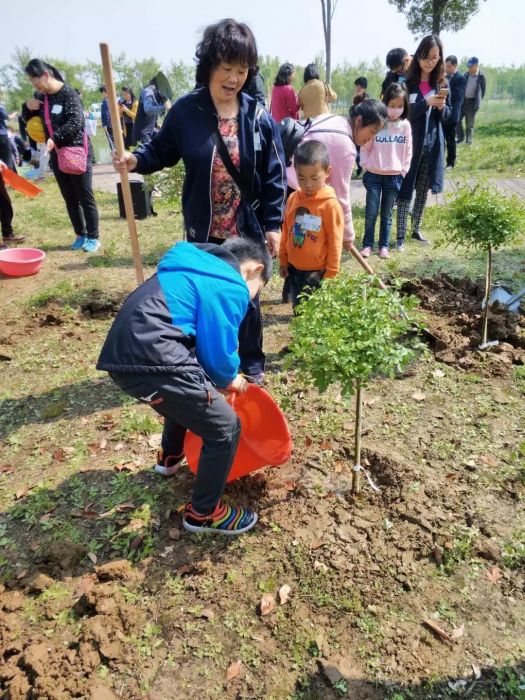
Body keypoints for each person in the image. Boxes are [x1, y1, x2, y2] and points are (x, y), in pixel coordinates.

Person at [113, 18, 286, 386]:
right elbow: (161, 150)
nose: (234, 78)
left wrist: (274, 224)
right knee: (208, 298)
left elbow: (273, 173)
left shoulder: (257, 115)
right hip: (205, 231)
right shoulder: (187, 111)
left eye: (242, 70)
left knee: (247, 299)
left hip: (246, 227)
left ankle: (251, 362)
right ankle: (206, 365)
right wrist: (136, 160)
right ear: (209, 66)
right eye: (227, 68)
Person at [97, 237, 271, 535]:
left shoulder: (191, 268)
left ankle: (171, 456)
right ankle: (204, 513)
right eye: (257, 292)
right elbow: (218, 353)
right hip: (155, 358)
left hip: (123, 358)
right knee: (225, 428)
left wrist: (212, 381)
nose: (251, 299)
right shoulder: (230, 283)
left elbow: (193, 338)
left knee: (188, 396)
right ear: (254, 270)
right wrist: (230, 377)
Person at [286, 99, 387, 253]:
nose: (370, 139)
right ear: (359, 121)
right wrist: (348, 235)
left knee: (309, 234)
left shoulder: (335, 119)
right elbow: (341, 196)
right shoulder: (346, 147)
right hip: (295, 188)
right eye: (372, 132)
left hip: (287, 179)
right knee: (309, 239)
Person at [25, 59, 100, 252]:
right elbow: (32, 122)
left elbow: (76, 122)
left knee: (85, 196)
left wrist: (55, 138)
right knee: (69, 198)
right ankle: (80, 234)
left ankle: (93, 237)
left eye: (36, 81)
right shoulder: (43, 98)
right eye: (32, 83)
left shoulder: (69, 94)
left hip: (76, 152)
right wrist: (27, 107)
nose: (36, 86)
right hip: (57, 154)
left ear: (46, 75)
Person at [396, 35, 450, 250]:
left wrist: (441, 108)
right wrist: (424, 103)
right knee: (406, 187)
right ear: (418, 56)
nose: (430, 61)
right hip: (411, 145)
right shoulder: (407, 84)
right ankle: (400, 233)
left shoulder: (442, 84)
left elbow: (450, 117)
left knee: (423, 188)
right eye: (427, 57)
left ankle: (416, 228)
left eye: (435, 57)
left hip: (433, 144)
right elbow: (401, 113)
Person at [279, 140, 343, 308]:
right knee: (298, 308)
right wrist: (284, 260)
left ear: (327, 172)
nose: (307, 184)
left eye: (314, 178)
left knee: (311, 312)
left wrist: (331, 273)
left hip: (315, 271)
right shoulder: (293, 199)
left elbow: (335, 242)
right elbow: (286, 231)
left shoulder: (330, 206)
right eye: (301, 178)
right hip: (293, 267)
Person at [360, 83, 412, 259]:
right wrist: (365, 166)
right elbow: (366, 146)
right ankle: (367, 244)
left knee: (387, 214)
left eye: (399, 106)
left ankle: (383, 245)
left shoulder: (405, 126)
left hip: (394, 177)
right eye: (392, 105)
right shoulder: (379, 123)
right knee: (371, 212)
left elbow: (409, 150)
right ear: (385, 103)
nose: (395, 109)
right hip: (374, 174)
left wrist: (403, 170)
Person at [131, 76, 171, 146]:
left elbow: (149, 119)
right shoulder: (148, 91)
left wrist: (157, 127)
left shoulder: (155, 95)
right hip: (142, 135)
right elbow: (148, 110)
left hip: (146, 134)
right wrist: (164, 107)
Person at [456, 57, 486, 145]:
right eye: (468, 66)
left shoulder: (481, 76)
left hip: (472, 103)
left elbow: (482, 91)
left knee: (469, 123)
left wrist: (478, 101)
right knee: (457, 119)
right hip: (463, 101)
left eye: (471, 66)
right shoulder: (466, 74)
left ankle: (468, 141)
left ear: (476, 65)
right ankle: (460, 137)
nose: (469, 68)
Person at [443, 55, 466, 168]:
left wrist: (445, 90)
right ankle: (439, 161)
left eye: (449, 66)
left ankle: (450, 162)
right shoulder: (443, 78)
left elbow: (457, 96)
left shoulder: (460, 79)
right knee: (440, 139)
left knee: (450, 139)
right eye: (445, 66)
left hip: (453, 114)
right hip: (443, 113)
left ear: (455, 66)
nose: (446, 68)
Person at [353, 77, 370, 176]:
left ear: (361, 86)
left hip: (362, 128)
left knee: (359, 149)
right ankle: (361, 169)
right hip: (358, 127)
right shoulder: (357, 98)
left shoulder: (366, 98)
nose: (356, 88)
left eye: (357, 86)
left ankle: (362, 169)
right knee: (357, 149)